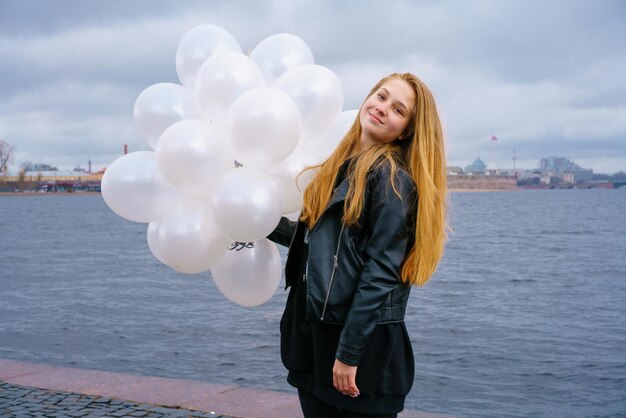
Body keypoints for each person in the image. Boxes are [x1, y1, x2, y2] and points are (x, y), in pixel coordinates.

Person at [268, 72, 447, 418]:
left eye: (398, 109)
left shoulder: (392, 181)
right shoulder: (340, 167)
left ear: (408, 129)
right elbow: (321, 244)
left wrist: (349, 353)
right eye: (381, 96)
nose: (382, 108)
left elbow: (381, 273)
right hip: (314, 338)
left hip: (357, 347)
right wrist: (257, 218)